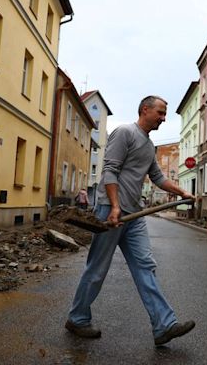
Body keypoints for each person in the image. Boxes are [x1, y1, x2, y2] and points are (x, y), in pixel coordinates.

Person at [65, 95, 196, 346]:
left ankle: (163, 325)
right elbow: (109, 170)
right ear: (144, 110)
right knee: (97, 268)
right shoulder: (125, 132)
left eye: (164, 113)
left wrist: (182, 192)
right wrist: (114, 206)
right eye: (160, 112)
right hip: (110, 211)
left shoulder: (149, 145)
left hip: (134, 216)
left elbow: (157, 177)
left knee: (145, 266)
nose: (163, 117)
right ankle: (77, 318)